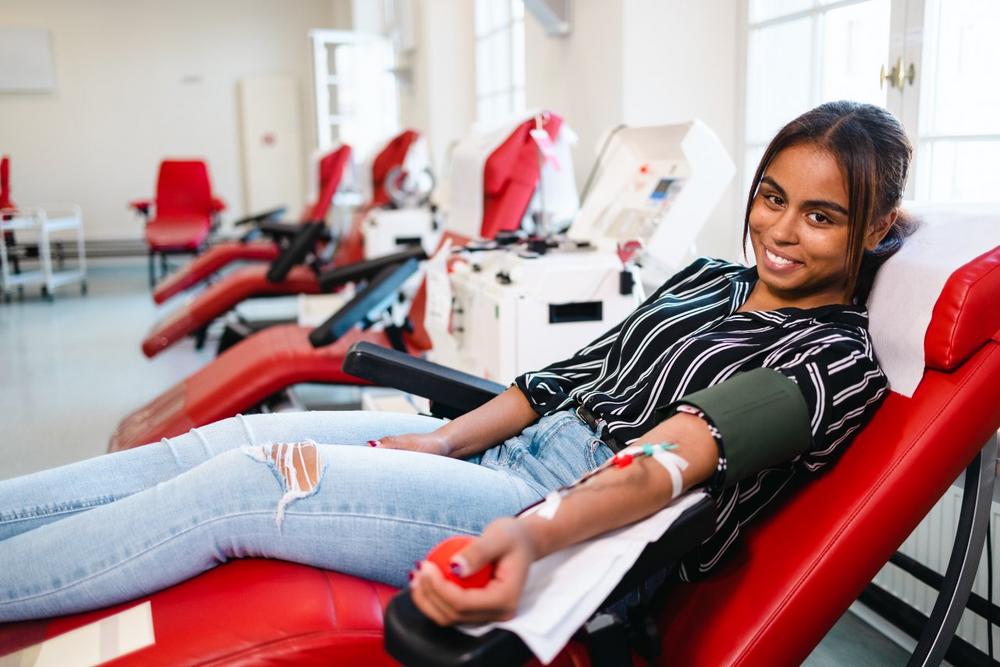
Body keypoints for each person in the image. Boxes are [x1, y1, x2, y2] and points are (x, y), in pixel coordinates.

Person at [0, 101, 913, 627]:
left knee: (247, 486)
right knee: (228, 439)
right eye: (771, 198)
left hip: (573, 519)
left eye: (821, 216)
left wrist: (533, 534)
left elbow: (668, 459)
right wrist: (440, 442)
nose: (780, 230)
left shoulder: (832, 361)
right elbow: (570, 375)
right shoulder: (713, 278)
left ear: (874, 226)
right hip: (509, 457)